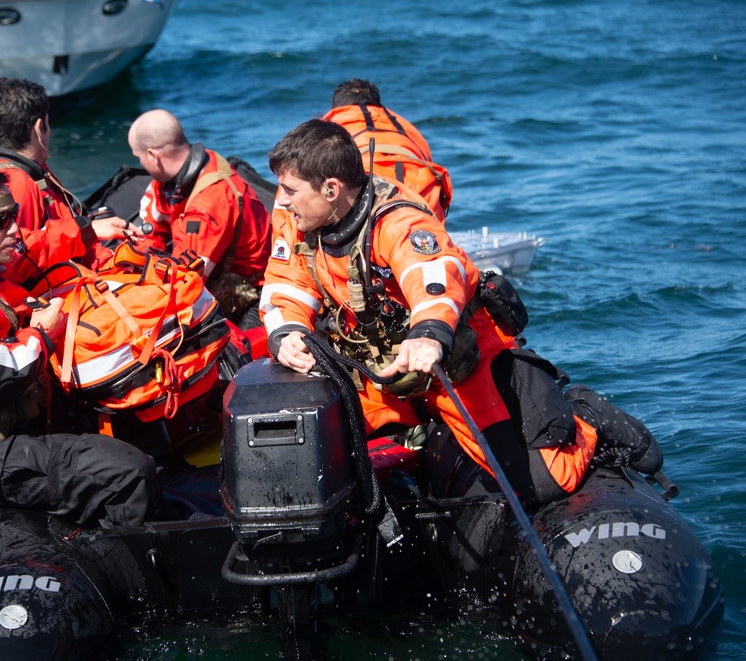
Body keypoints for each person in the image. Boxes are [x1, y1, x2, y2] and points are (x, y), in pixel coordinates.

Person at [259, 120, 659, 507]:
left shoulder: (398, 221)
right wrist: (286, 333)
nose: (282, 199)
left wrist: (429, 332)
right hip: (385, 377)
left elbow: (434, 276)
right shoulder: (302, 222)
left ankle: (586, 416)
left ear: (331, 189)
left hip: (456, 365)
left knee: (545, 482)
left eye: (290, 189)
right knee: (311, 443)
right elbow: (286, 283)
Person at [0, 158, 157, 528]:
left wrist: (86, 236)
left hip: (6, 436)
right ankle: (128, 569)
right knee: (130, 473)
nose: (14, 229)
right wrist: (40, 333)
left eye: (13, 215)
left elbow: (36, 253)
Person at [127, 109, 272, 330]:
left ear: (153, 156)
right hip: (207, 261)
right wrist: (134, 269)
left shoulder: (209, 204)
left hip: (249, 282)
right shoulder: (173, 179)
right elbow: (150, 228)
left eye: (139, 157)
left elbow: (185, 281)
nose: (140, 162)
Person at [0, 76, 139, 264]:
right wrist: (87, 230)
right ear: (39, 127)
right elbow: (17, 261)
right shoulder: (16, 185)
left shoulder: (23, 169)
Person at [323, 78, 453, 221]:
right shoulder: (405, 125)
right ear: (377, 103)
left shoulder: (329, 124)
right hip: (422, 188)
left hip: (368, 188)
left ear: (336, 107)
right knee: (425, 239)